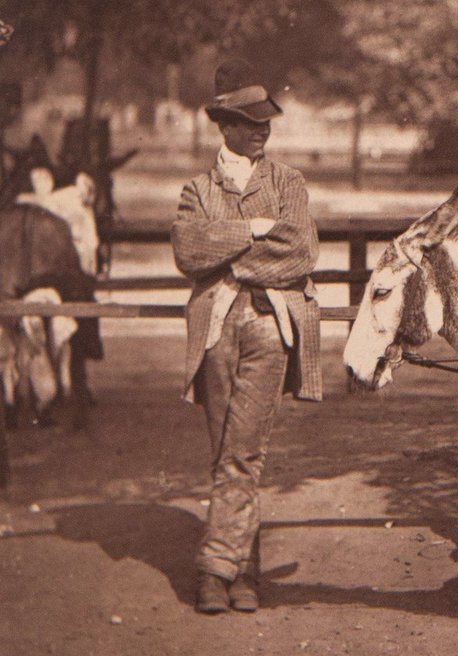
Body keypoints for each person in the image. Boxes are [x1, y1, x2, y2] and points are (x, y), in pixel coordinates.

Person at [171, 59, 322, 614]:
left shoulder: (288, 183)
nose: (262, 130)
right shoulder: (196, 190)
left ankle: (213, 570)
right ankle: (245, 574)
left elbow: (300, 254)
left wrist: (233, 262)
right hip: (214, 330)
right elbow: (188, 253)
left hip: (268, 325)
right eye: (249, 121)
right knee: (227, 453)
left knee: (244, 452)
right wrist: (254, 231)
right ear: (224, 125)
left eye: (266, 122)